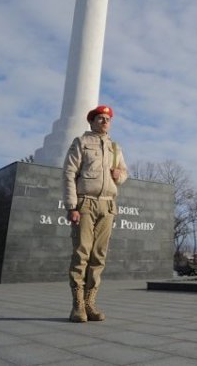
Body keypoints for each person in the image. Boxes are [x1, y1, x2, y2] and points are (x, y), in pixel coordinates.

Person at [63, 104, 128, 323]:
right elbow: (69, 173)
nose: (104, 121)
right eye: (99, 118)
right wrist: (72, 206)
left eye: (107, 119)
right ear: (91, 122)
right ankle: (77, 305)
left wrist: (120, 175)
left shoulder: (115, 147)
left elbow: (124, 173)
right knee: (82, 252)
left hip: (108, 205)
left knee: (98, 256)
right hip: (85, 203)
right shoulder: (81, 142)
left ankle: (91, 303)